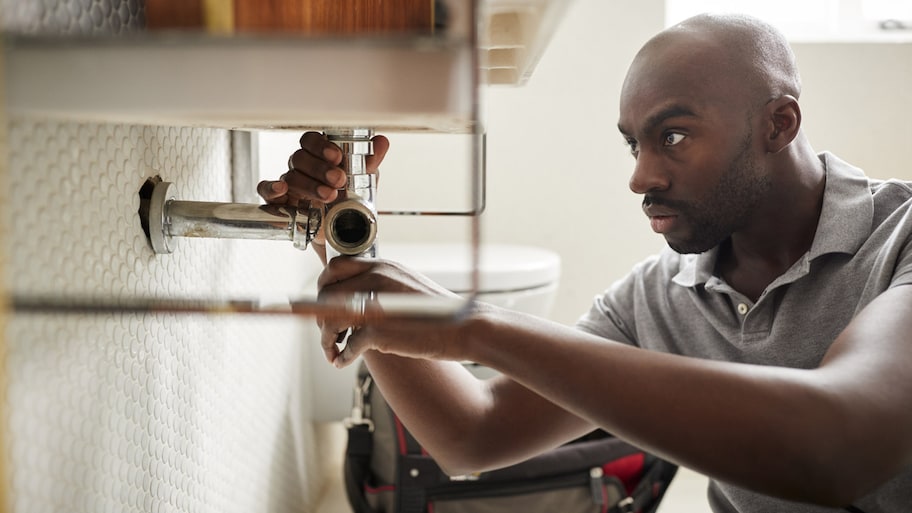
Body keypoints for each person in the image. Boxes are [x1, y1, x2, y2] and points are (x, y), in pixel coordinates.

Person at [258, 13, 912, 512]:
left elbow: (842, 444)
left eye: (673, 136)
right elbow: (472, 434)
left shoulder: (902, 239)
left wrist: (471, 326)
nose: (640, 176)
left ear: (779, 124)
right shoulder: (660, 296)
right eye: (634, 144)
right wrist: (349, 243)